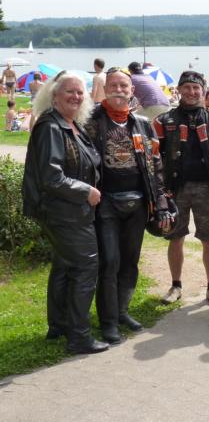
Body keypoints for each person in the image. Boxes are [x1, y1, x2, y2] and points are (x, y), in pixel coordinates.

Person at [22, 71, 108, 354]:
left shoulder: (70, 124)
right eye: (69, 91)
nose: (76, 96)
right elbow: (51, 177)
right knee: (85, 267)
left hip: (68, 211)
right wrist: (86, 191)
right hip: (64, 212)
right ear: (54, 95)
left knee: (63, 266)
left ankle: (58, 325)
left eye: (80, 92)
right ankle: (79, 337)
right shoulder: (51, 127)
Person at [85, 68, 173, 344]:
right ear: (105, 89)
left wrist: (161, 202)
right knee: (110, 262)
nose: (119, 90)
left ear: (132, 90)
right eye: (113, 85)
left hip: (137, 203)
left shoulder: (143, 124)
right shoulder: (90, 122)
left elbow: (156, 164)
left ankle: (122, 311)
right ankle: (108, 321)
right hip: (106, 204)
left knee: (130, 261)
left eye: (124, 86)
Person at [153, 71, 209, 305]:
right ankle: (176, 286)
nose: (192, 92)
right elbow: (153, 158)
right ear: (179, 90)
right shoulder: (163, 121)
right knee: (175, 238)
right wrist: (159, 191)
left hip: (207, 188)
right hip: (175, 190)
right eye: (187, 87)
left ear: (203, 91)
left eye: (196, 88)